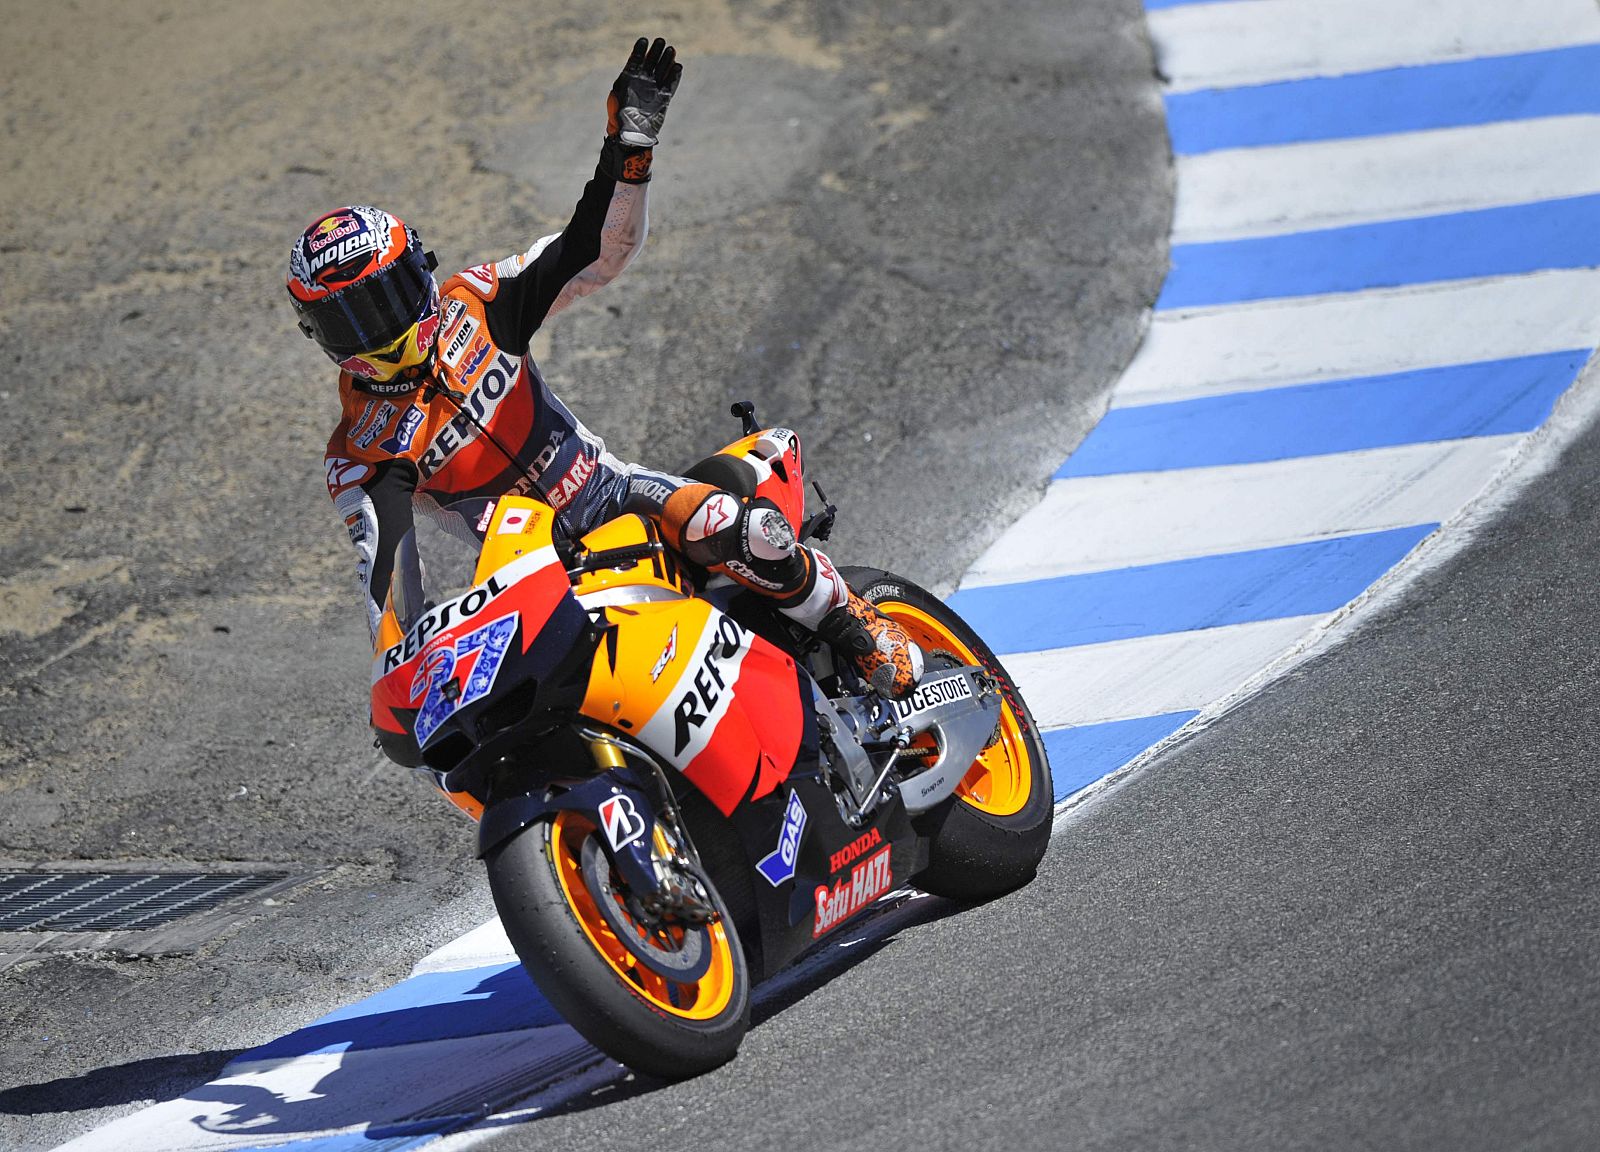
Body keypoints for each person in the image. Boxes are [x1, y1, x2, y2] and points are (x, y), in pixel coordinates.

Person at [287, 37, 922, 752]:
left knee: (738, 527)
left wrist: (629, 150)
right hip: (531, 568)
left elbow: (598, 250)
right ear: (321, 334)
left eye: (387, 297)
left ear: (420, 273)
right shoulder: (362, 450)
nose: (381, 327)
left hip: (612, 495)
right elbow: (388, 591)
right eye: (352, 318)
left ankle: (850, 622)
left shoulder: (481, 301)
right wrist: (397, 685)